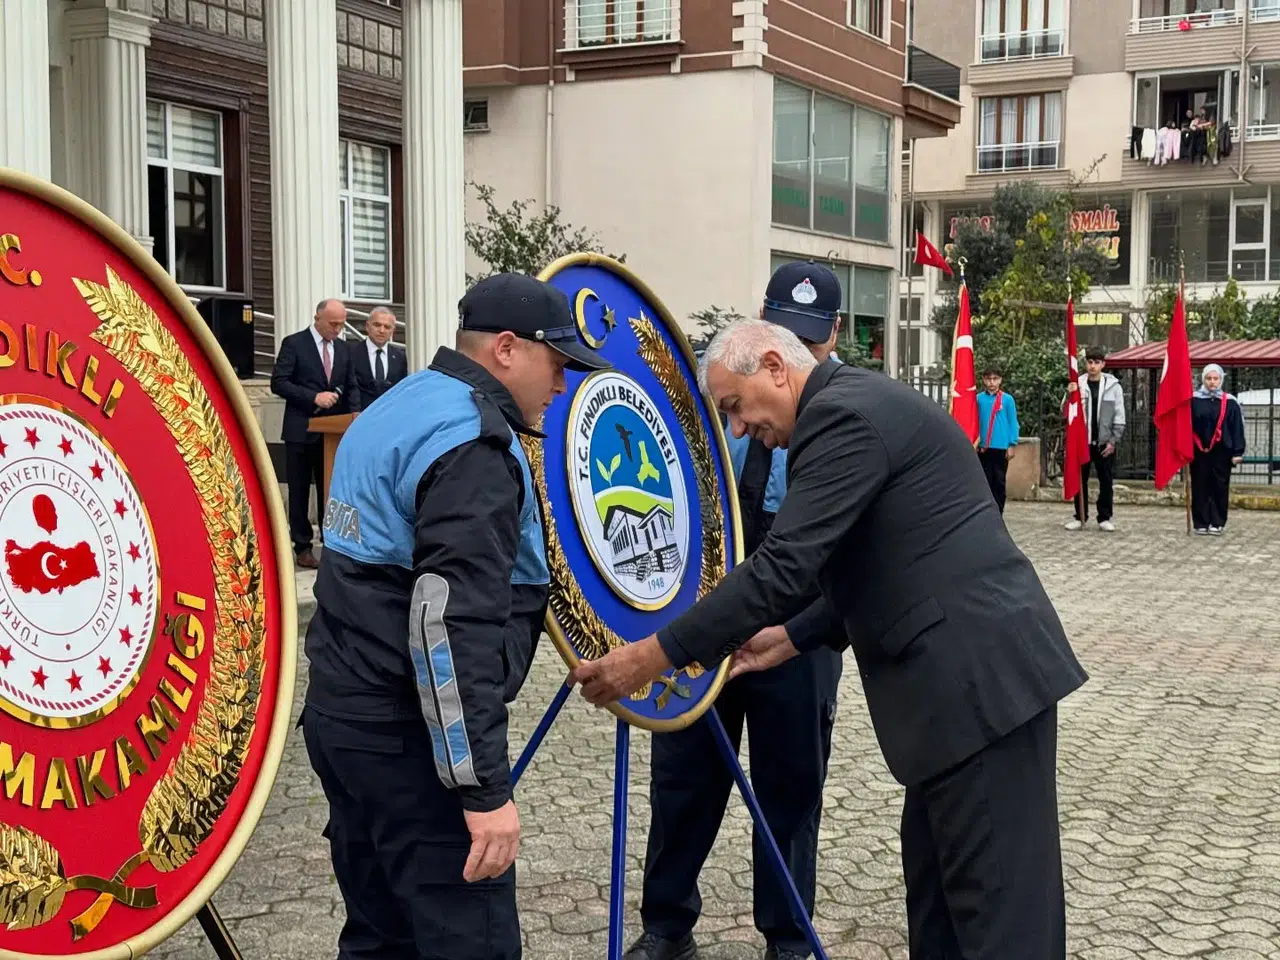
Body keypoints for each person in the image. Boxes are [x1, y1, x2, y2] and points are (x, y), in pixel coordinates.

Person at [571, 319, 1088, 960]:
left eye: (734, 406)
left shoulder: (840, 418)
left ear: (775, 366)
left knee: (1000, 916)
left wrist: (653, 656)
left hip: (979, 689)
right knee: (941, 905)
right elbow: (884, 558)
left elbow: (783, 566)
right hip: (955, 699)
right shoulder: (857, 404)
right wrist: (791, 637)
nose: (736, 428)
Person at [300, 272, 610, 960]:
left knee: (379, 938)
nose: (561, 386)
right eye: (557, 365)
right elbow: (448, 629)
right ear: (506, 348)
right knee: (469, 942)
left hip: (341, 719)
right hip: (410, 743)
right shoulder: (472, 443)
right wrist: (483, 792)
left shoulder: (402, 403)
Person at [626, 261, 844, 960]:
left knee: (790, 785)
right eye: (788, 334)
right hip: (707, 619)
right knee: (682, 780)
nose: (800, 354)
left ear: (833, 336)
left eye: (815, 342)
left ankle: (787, 935)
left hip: (797, 628)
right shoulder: (716, 391)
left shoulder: (845, 418)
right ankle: (666, 925)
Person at [270, 298, 361, 569]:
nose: (338, 329)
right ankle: (302, 546)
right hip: (301, 430)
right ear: (317, 318)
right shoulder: (294, 344)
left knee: (331, 490)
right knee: (299, 491)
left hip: (332, 434)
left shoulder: (344, 349)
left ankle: (331, 543)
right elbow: (279, 382)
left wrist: (356, 413)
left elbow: (351, 384)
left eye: (342, 324)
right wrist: (314, 397)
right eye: (333, 324)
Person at [1066, 346, 1125, 533]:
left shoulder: (1113, 386)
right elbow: (1065, 412)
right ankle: (1080, 515)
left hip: (1104, 442)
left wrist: (1113, 440)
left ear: (1103, 364)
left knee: (1106, 480)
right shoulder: (1078, 384)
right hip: (1082, 441)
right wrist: (1069, 394)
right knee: (1080, 479)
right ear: (1086, 363)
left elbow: (1119, 413)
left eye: (1096, 362)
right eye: (1090, 362)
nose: (1092, 366)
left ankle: (1105, 517)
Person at [1190, 363, 1246, 535]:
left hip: (1222, 452)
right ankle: (1200, 522)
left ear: (1221, 380)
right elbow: (1186, 425)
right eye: (1208, 378)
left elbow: (1237, 427)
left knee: (1220, 487)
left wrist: (1238, 451)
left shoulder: (1230, 402)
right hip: (1199, 451)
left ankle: (1217, 522)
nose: (1212, 382)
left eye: (1215, 379)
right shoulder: (1193, 400)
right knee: (1199, 486)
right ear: (1203, 379)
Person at [975, 366, 1020, 514]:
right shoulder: (978, 399)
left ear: (1000, 380)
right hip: (983, 447)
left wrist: (1012, 443)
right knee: (985, 482)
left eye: (995, 379)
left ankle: (998, 512)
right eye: (988, 379)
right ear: (984, 380)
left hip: (1001, 447)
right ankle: (986, 513)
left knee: (999, 482)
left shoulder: (1007, 400)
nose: (991, 382)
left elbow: (1013, 422)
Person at [353, 305, 409, 408]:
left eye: (387, 327)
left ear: (393, 330)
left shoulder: (399, 357)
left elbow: (401, 389)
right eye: (377, 325)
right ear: (367, 326)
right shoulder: (352, 353)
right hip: (359, 416)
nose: (382, 330)